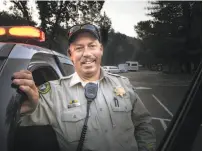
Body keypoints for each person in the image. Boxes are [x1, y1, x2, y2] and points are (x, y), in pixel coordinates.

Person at [12, 23, 156, 151]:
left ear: (101, 50)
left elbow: (143, 122)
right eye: (79, 48)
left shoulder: (123, 84)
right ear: (70, 55)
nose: (87, 54)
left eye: (92, 46)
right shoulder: (53, 93)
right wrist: (27, 106)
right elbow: (17, 120)